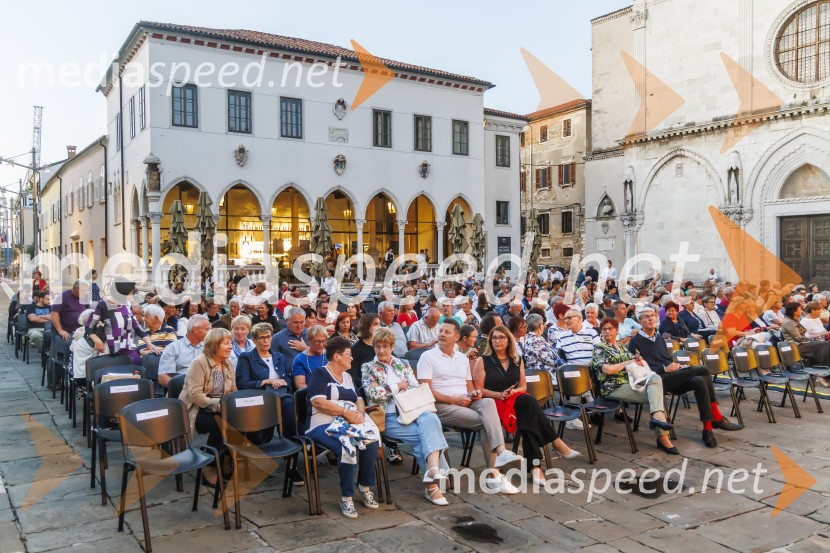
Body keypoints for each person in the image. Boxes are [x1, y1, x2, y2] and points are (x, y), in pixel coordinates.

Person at [417, 319, 523, 494]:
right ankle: (494, 475)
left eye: (447, 332)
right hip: (440, 405)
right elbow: (425, 389)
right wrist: (453, 400)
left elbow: (470, 386)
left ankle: (501, 454)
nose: (442, 334)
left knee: (488, 402)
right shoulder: (428, 356)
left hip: (465, 402)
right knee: (486, 423)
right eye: (441, 331)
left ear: (457, 336)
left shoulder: (461, 358)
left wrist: (475, 393)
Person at [474, 325, 579, 484]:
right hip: (493, 403)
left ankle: (536, 467)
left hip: (514, 400)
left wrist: (512, 393)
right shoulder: (483, 360)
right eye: (494, 338)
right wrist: (499, 394)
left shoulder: (517, 359)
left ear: (508, 340)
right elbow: (479, 388)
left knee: (527, 416)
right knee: (529, 404)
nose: (497, 341)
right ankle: (553, 445)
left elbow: (523, 386)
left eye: (501, 337)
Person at [629, 307, 742, 448]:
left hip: (671, 376)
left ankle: (707, 429)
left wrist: (675, 365)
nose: (651, 318)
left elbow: (666, 360)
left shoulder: (659, 338)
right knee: (703, 369)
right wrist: (664, 368)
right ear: (640, 321)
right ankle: (716, 416)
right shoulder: (635, 342)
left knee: (699, 380)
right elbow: (637, 371)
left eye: (653, 315)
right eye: (646, 316)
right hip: (655, 382)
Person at [362, 328, 450, 505]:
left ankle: (432, 470)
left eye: (385, 346)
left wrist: (392, 388)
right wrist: (397, 387)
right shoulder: (368, 367)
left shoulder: (402, 364)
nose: (381, 350)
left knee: (431, 419)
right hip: (388, 417)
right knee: (424, 437)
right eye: (377, 346)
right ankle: (433, 485)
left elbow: (414, 386)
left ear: (392, 346)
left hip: (413, 410)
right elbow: (373, 393)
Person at [307, 336, 379, 518]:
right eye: (348, 354)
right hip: (323, 423)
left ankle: (364, 487)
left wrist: (360, 414)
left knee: (371, 441)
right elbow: (319, 403)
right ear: (337, 356)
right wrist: (346, 413)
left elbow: (359, 399)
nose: (351, 358)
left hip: (350, 422)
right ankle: (347, 497)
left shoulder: (347, 376)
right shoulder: (320, 374)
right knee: (347, 447)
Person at [592, 318, 678, 454]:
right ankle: (662, 435)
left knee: (655, 380)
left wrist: (638, 360)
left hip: (630, 383)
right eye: (604, 329)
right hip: (612, 387)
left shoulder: (621, 347)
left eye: (610, 328)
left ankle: (658, 421)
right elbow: (608, 370)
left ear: (616, 330)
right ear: (601, 332)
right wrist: (628, 363)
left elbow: (634, 361)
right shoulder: (600, 348)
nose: (607, 331)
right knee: (656, 395)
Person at [180, 328, 237, 486]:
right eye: (226, 343)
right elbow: (196, 396)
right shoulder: (199, 363)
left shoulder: (228, 363)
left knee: (239, 419)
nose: (230, 347)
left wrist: (234, 404)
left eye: (230, 343)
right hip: (197, 409)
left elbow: (232, 390)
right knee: (220, 423)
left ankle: (226, 458)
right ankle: (209, 468)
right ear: (214, 345)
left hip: (220, 407)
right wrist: (219, 405)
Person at [235, 323, 299, 448]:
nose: (266, 341)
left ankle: (291, 444)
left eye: (268, 337)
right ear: (254, 339)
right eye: (262, 337)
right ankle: (264, 445)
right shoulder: (246, 357)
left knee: (290, 404)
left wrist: (284, 381)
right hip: (260, 398)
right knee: (283, 405)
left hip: (281, 396)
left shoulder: (279, 357)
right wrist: (265, 382)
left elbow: (287, 377)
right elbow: (242, 383)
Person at [84, 280, 159, 365]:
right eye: (130, 293)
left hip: (128, 348)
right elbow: (89, 326)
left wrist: (149, 343)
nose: (132, 295)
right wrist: (97, 340)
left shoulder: (127, 305)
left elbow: (136, 325)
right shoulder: (103, 305)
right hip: (110, 350)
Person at [158, 314, 211, 387]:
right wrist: (180, 388)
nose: (209, 332)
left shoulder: (210, 348)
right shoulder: (173, 348)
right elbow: (163, 378)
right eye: (206, 329)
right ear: (195, 330)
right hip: (182, 389)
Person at [781, 302, 830, 374]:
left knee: (823, 346)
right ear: (794, 311)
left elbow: (803, 334)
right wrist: (812, 338)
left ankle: (820, 371)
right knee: (824, 345)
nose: (802, 311)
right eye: (800, 309)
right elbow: (798, 338)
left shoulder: (794, 321)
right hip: (795, 345)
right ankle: (822, 374)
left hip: (802, 343)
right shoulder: (788, 322)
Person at [290, 325, 328, 390]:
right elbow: (300, 385)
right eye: (317, 341)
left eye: (323, 341)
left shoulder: (330, 355)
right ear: (309, 340)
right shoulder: (300, 359)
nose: (321, 345)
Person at [350, 314, 381, 382]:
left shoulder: (382, 345)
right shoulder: (356, 349)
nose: (379, 327)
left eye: (379, 324)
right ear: (366, 326)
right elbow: (353, 376)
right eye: (375, 324)